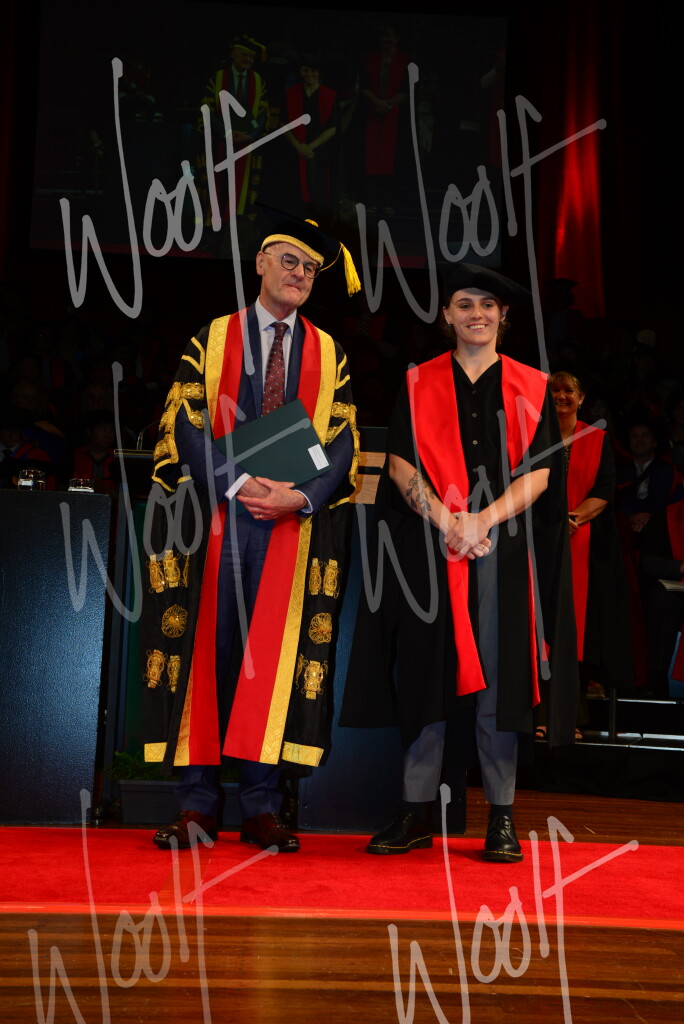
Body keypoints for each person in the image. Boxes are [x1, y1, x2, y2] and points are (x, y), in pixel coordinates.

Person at [340, 263, 578, 863]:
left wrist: (482, 521)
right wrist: (449, 523)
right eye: (465, 304)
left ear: (504, 316)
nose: (477, 314)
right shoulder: (418, 381)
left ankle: (501, 816)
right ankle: (414, 810)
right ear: (446, 315)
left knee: (501, 677)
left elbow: (541, 474)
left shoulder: (531, 385)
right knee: (426, 672)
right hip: (430, 549)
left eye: (488, 305)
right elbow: (400, 464)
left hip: (502, 551)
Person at [140, 214, 360, 853]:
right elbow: (184, 424)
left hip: (289, 525)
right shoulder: (211, 339)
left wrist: (300, 495)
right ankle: (197, 805)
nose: (300, 274)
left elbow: (343, 440)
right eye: (290, 260)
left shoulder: (329, 352)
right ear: (260, 262)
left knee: (272, 658)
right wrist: (236, 484)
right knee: (207, 656)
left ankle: (262, 806)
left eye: (310, 268)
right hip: (217, 520)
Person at [546, 371, 632, 716]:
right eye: (554, 391)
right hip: (540, 542)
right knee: (541, 627)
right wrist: (551, 522)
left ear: (581, 399)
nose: (561, 396)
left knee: (582, 628)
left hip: (586, 543)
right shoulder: (532, 438)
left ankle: (572, 716)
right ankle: (539, 715)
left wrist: (572, 518)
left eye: (568, 390)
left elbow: (605, 489)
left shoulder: (597, 439)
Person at [283, 55, 340, 217]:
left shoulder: (330, 96)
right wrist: (299, 147)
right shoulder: (291, 94)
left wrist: (310, 147)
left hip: (320, 150)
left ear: (319, 72)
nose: (309, 74)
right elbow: (283, 124)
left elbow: (332, 128)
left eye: (313, 71)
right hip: (294, 148)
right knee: (295, 190)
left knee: (317, 189)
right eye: (305, 70)